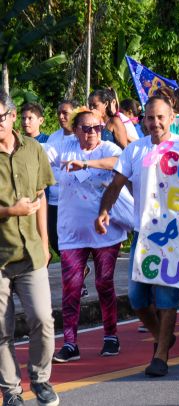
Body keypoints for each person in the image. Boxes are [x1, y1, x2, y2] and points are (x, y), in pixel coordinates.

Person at [96, 93, 179, 377]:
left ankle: (161, 354)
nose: (155, 123)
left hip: (174, 236)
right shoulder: (135, 150)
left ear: (172, 119)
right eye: (150, 118)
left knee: (166, 299)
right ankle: (163, 335)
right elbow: (116, 185)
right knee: (137, 297)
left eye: (160, 117)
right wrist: (104, 210)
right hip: (143, 235)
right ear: (143, 120)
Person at [48, 108, 135, 363]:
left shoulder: (107, 148)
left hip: (105, 233)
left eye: (97, 127)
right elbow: (38, 157)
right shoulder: (63, 147)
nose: (92, 133)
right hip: (71, 234)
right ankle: (70, 343)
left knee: (104, 284)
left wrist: (86, 163)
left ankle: (110, 336)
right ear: (76, 130)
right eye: (86, 128)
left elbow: (117, 164)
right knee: (71, 288)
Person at [0, 91, 59, 406]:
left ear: (11, 117)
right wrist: (11, 211)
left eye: (1, 117)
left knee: (42, 320)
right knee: (1, 330)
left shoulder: (34, 149)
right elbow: (22, 207)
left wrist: (46, 243)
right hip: (0, 258)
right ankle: (10, 391)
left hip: (32, 254)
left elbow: (40, 197)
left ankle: (40, 379)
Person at [44, 99, 77, 256]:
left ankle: (75, 272)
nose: (61, 117)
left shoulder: (81, 137)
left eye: (66, 113)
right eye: (59, 113)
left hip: (74, 199)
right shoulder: (53, 138)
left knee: (72, 239)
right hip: (54, 198)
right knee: (54, 238)